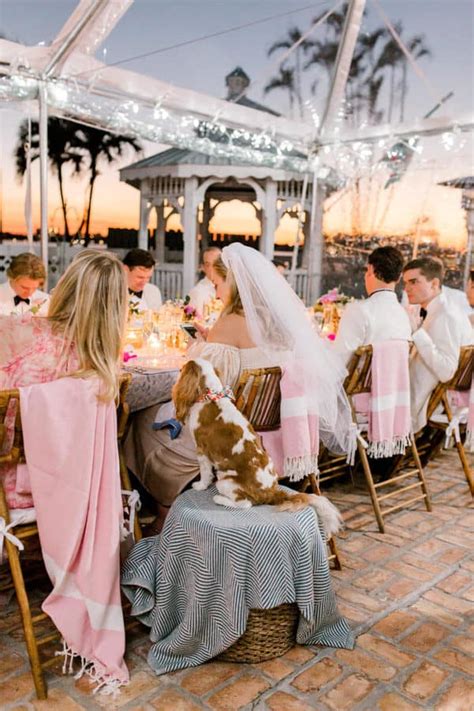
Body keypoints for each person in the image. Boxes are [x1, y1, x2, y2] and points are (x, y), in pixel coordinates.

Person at [124, 243, 351, 530]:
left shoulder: (229, 321)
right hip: (268, 429)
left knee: (141, 422)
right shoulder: (274, 320)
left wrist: (197, 347)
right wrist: (212, 342)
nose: (217, 292)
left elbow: (207, 385)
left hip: (229, 435)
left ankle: (164, 507)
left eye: (218, 284)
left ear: (233, 283)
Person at [0, 250, 128, 509]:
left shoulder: (19, 338)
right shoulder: (103, 366)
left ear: (64, 287)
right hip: (74, 484)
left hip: (12, 482)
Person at [403, 257, 473, 433]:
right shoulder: (442, 310)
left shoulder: (445, 316)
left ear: (434, 284)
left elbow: (446, 370)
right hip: (429, 394)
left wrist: (417, 333)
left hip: (430, 400)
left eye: (414, 282)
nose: (406, 288)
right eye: (405, 283)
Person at [334, 246, 411, 362]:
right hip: (393, 380)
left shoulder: (358, 310)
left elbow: (340, 361)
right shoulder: (404, 316)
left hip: (363, 380)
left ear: (370, 270)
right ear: (399, 277)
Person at [187, 246, 221, 316]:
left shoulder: (230, 288)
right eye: (208, 265)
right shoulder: (197, 292)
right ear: (203, 267)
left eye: (217, 264)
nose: (213, 268)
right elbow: (192, 321)